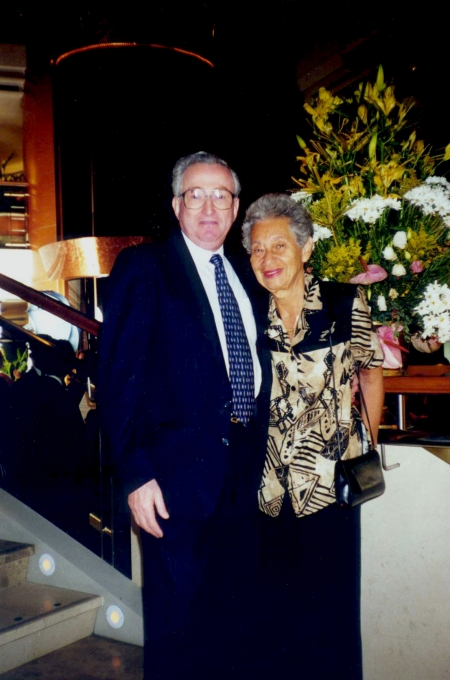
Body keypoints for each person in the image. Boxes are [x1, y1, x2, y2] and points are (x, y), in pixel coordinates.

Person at [99, 152, 270, 680]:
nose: (209, 206)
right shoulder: (145, 267)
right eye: (196, 194)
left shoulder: (249, 275)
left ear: (236, 207)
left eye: (221, 195)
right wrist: (135, 473)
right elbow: (119, 375)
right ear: (176, 205)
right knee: (178, 634)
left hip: (246, 477)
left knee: (233, 624)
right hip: (174, 482)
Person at [241, 193, 385, 680]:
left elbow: (369, 374)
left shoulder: (345, 303)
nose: (268, 259)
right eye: (258, 249)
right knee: (273, 623)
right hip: (267, 495)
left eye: (279, 246)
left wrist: (361, 444)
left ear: (305, 248)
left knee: (332, 621)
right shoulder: (247, 316)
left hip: (331, 494)